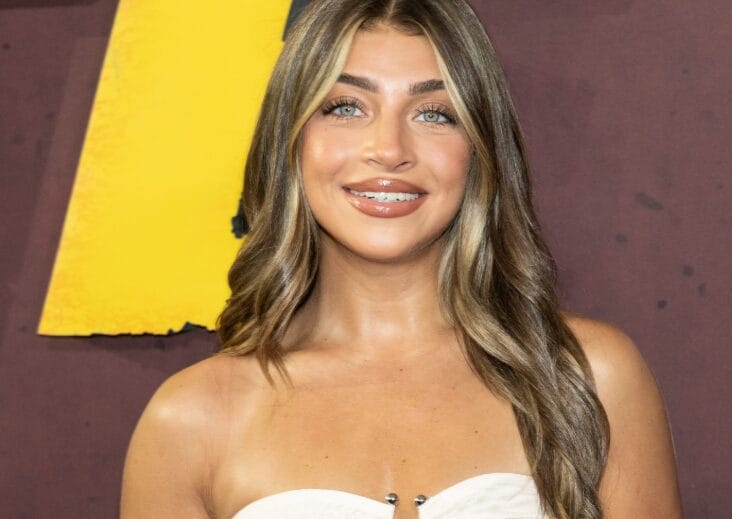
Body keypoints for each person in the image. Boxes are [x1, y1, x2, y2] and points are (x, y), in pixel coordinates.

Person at [120, 0, 683, 517]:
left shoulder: (589, 376)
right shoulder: (190, 420)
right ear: (289, 142)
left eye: (434, 114)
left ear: (480, 151)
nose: (389, 150)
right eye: (345, 107)